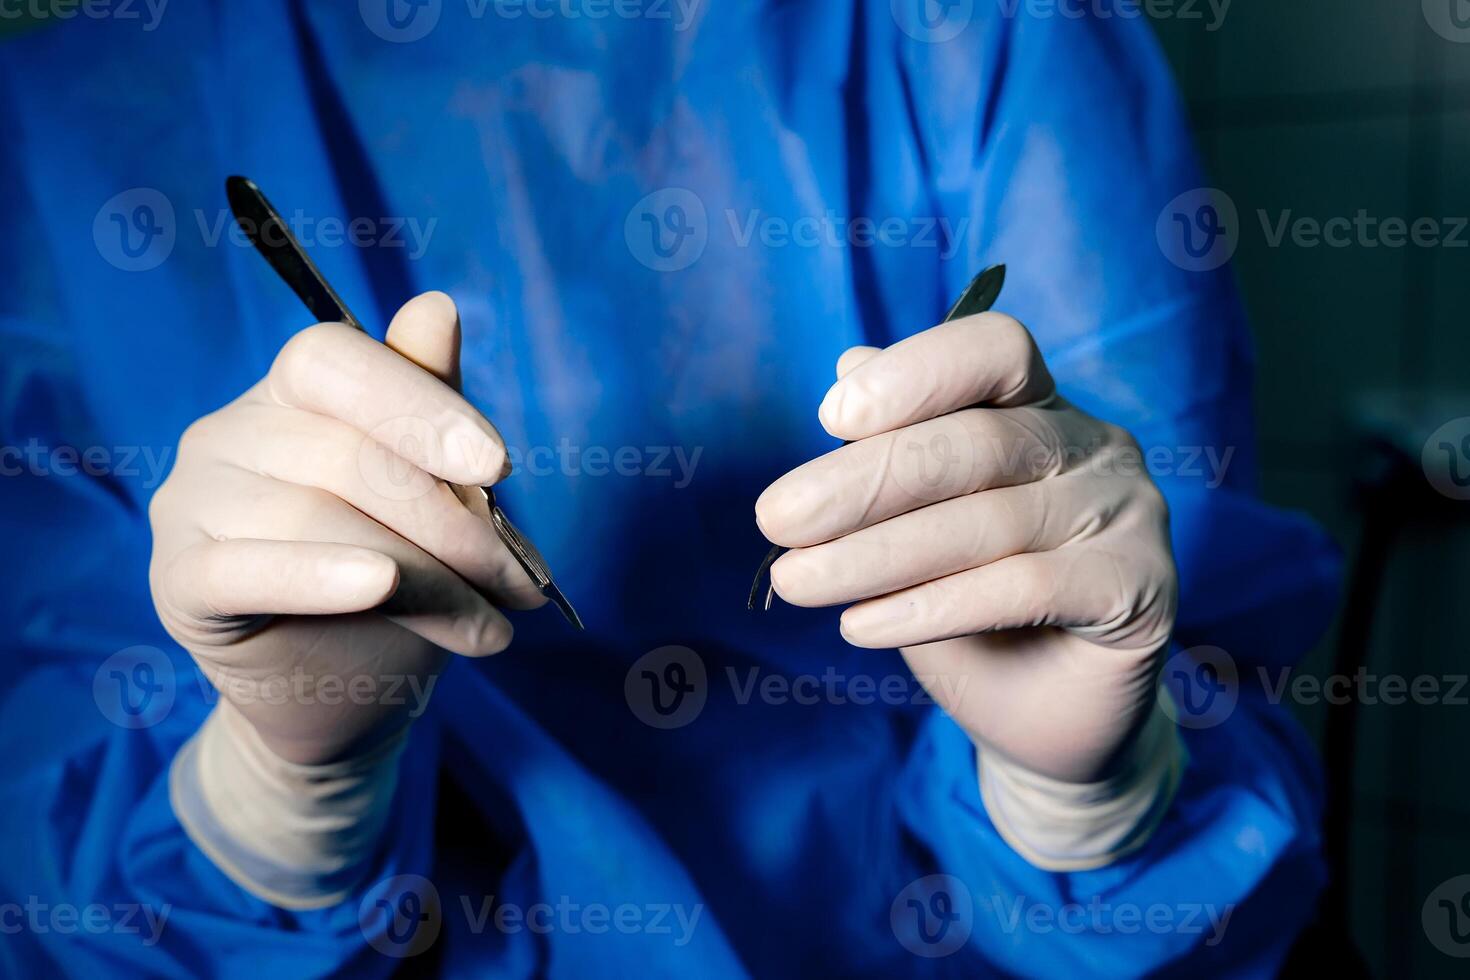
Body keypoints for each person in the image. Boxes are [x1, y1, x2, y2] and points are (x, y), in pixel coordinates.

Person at [0, 2, 1339, 975]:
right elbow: (51, 839)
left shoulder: (976, 35)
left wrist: (1084, 789)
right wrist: (277, 791)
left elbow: (1187, 655)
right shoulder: (73, 118)